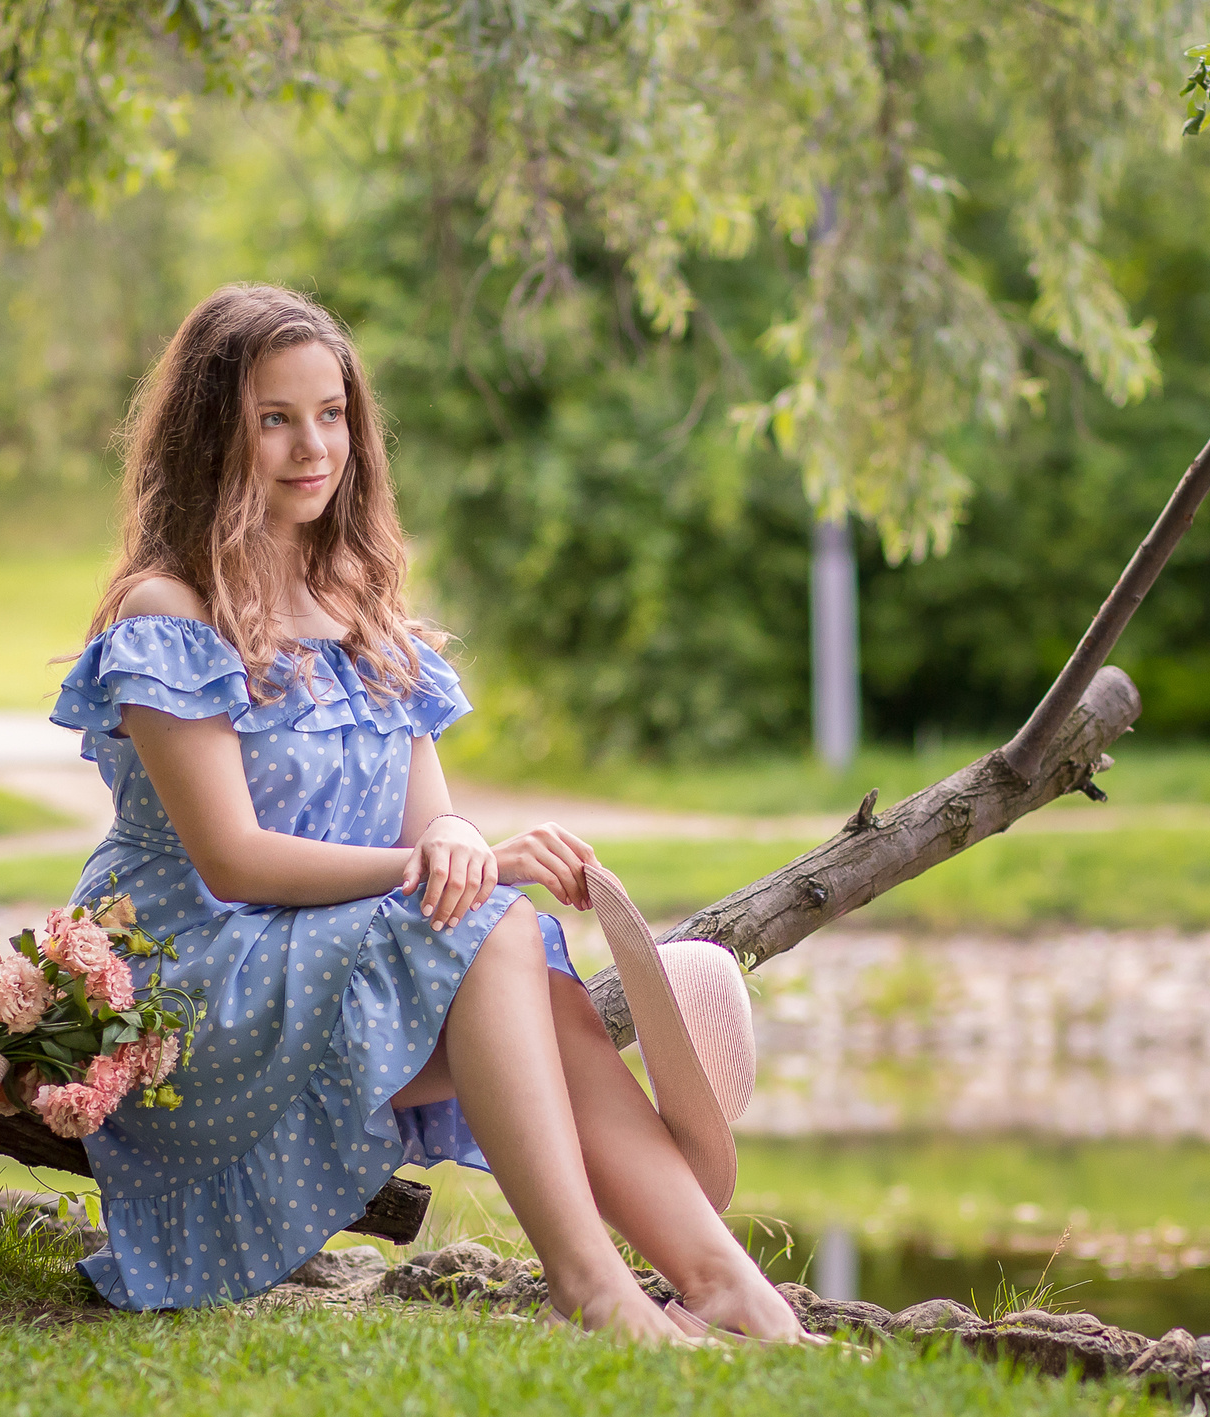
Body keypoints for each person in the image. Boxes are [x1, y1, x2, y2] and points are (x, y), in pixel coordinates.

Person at [50, 283, 804, 1345]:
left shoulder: (362, 613)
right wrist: (457, 868)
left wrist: (455, 844)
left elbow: (432, 824)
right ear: (214, 431)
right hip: (196, 982)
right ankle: (594, 1291)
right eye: (274, 418)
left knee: (524, 966)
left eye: (331, 413)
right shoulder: (170, 613)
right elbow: (231, 862)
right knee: (491, 920)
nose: (314, 446)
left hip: (321, 962)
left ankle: (730, 1290)